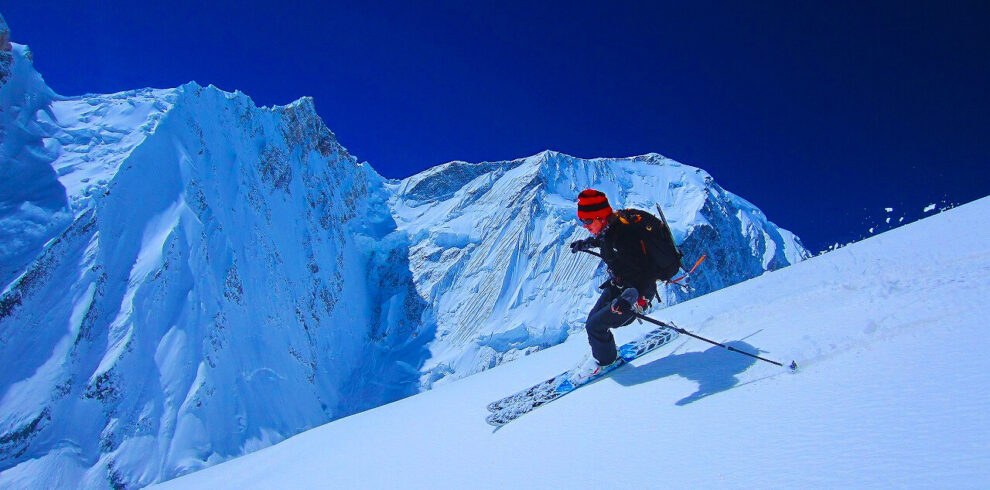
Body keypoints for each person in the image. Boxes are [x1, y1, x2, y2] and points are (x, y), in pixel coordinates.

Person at [568, 189, 666, 378]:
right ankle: (605, 354)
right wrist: (585, 244)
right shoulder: (609, 230)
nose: (585, 226)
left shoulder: (624, 236)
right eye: (583, 221)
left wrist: (630, 299)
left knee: (595, 326)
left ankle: (606, 363)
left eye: (588, 221)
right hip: (620, 285)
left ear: (601, 217)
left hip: (635, 295)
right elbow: (604, 241)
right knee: (592, 321)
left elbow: (646, 271)